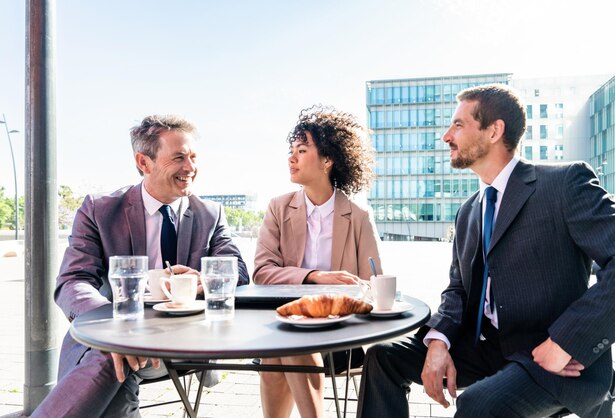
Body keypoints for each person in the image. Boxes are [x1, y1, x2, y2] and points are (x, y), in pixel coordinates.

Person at [356, 84, 615, 418]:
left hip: (551, 357)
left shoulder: (564, 184)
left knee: (477, 405)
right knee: (383, 355)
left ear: (494, 130)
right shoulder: (469, 211)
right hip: (488, 348)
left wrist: (566, 342)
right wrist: (439, 340)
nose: (445, 136)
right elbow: (458, 289)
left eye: (458, 125)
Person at [31, 114, 250, 418]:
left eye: (193, 157)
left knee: (114, 358)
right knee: (116, 354)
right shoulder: (99, 208)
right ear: (144, 162)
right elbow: (73, 281)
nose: (190, 168)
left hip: (189, 337)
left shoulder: (210, 213)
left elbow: (237, 269)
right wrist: (116, 327)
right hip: (119, 331)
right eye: (179, 158)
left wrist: (206, 279)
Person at [254, 105, 382, 418]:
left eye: (302, 150)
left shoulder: (359, 218)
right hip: (284, 323)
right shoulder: (278, 208)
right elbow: (261, 272)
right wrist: (314, 277)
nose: (292, 158)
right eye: (291, 150)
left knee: (285, 346)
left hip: (340, 334)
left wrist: (338, 300)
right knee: (285, 342)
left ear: (327, 160)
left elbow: (373, 284)